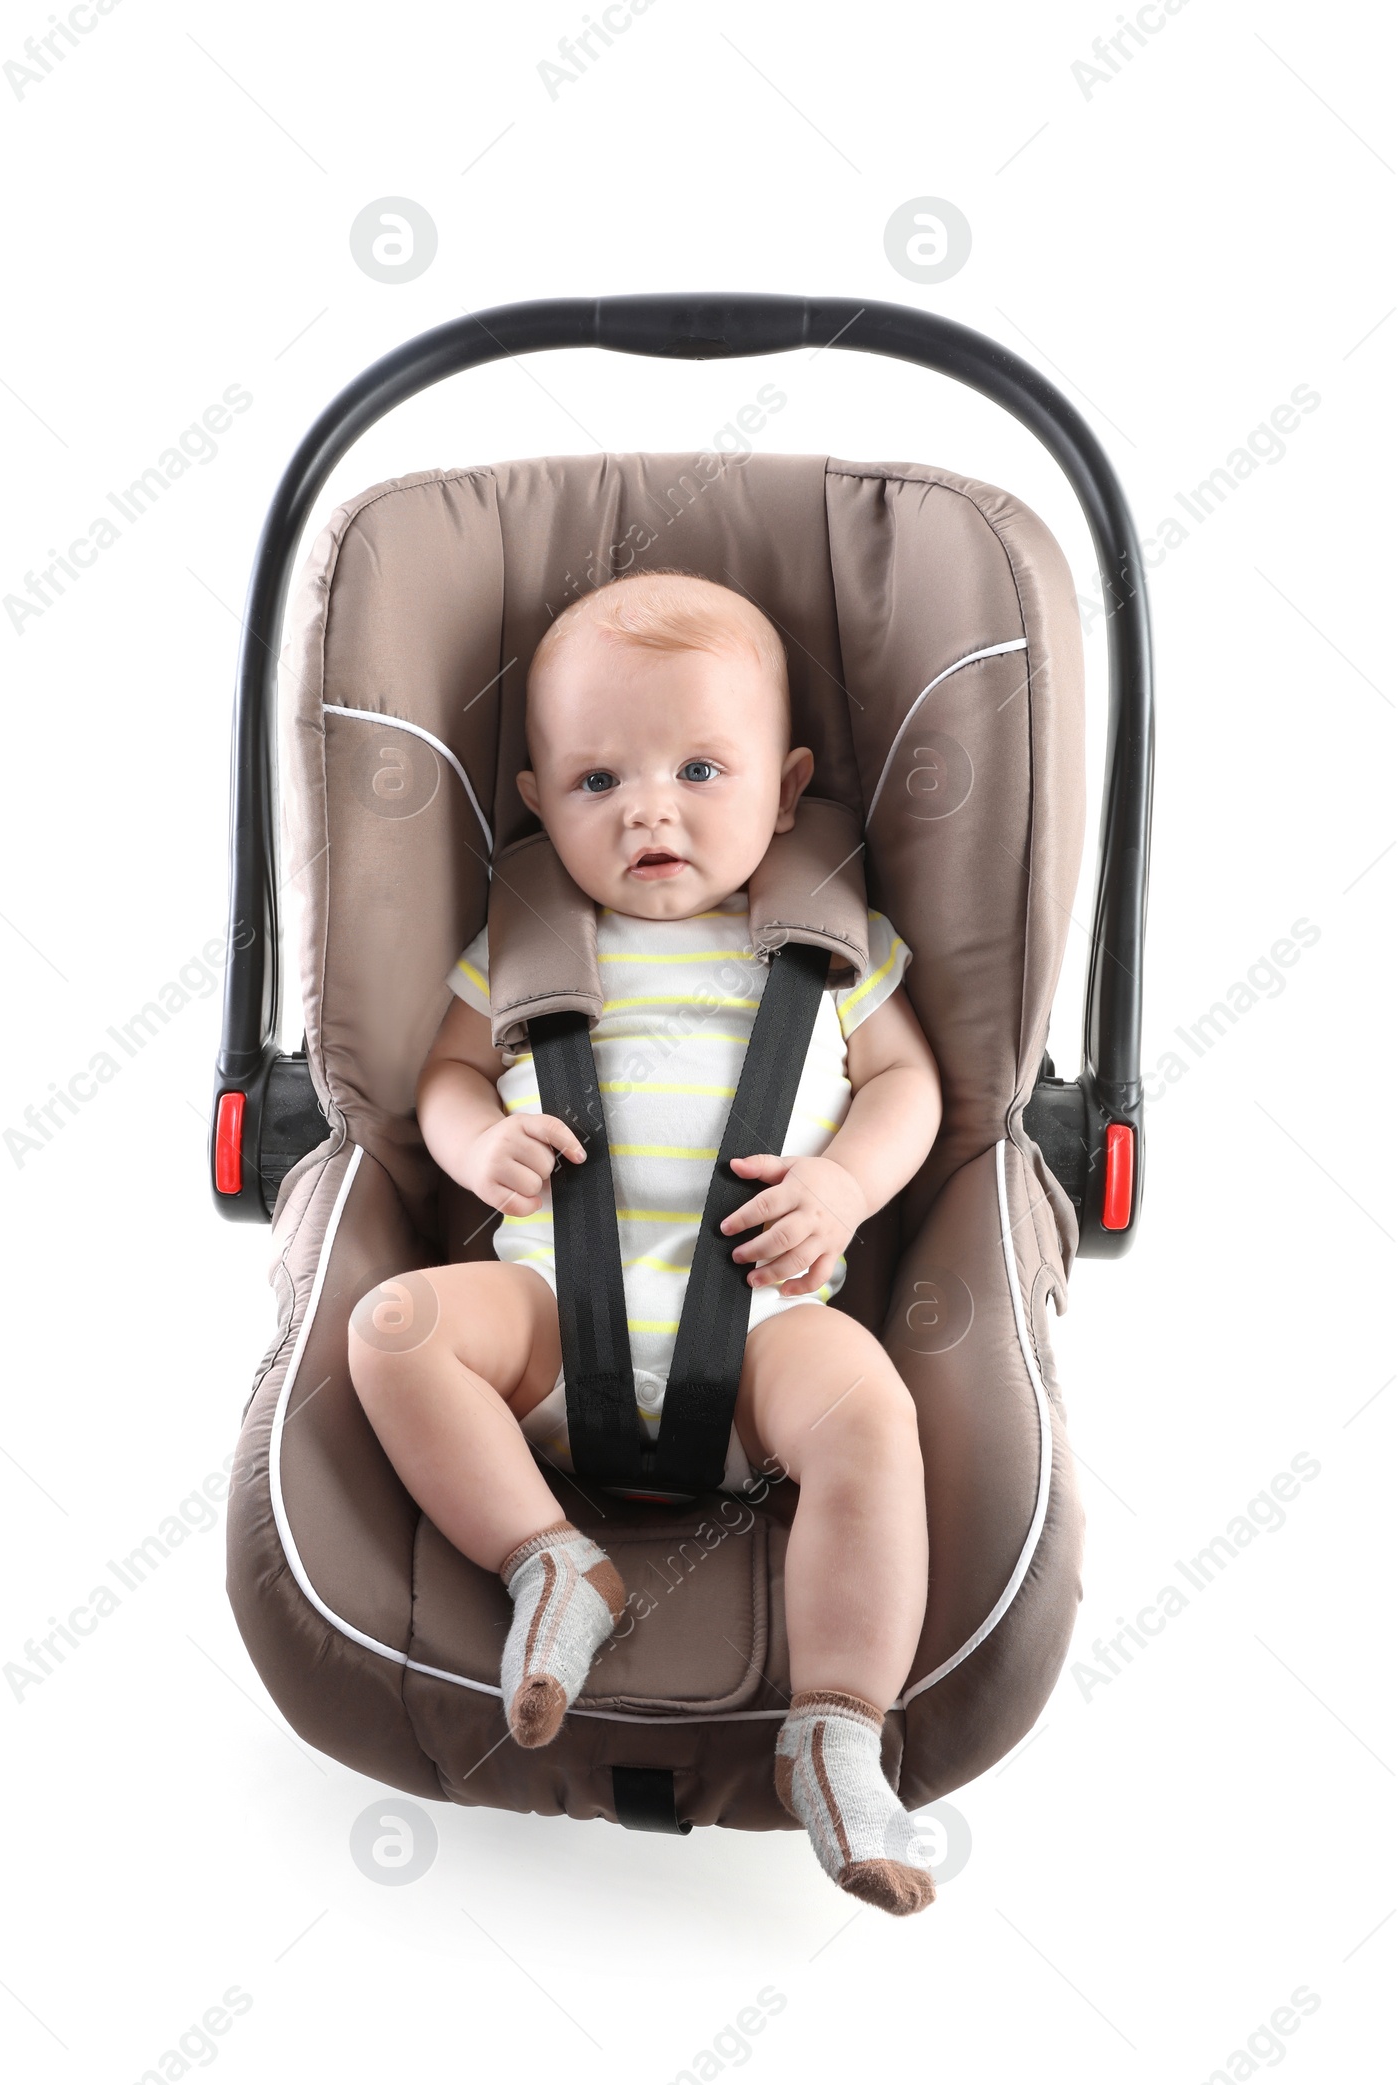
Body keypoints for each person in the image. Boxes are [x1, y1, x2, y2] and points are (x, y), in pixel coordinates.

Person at [347, 571, 944, 1914]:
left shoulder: (839, 949)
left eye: (697, 767)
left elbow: (912, 1089)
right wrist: (471, 1144)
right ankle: (549, 1555)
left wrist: (844, 1186)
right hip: (556, 1315)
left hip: (767, 1327)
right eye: (596, 779)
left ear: (786, 790)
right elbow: (449, 1076)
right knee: (393, 1333)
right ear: (538, 799)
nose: (649, 809)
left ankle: (838, 1724)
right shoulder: (521, 946)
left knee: (872, 1418)